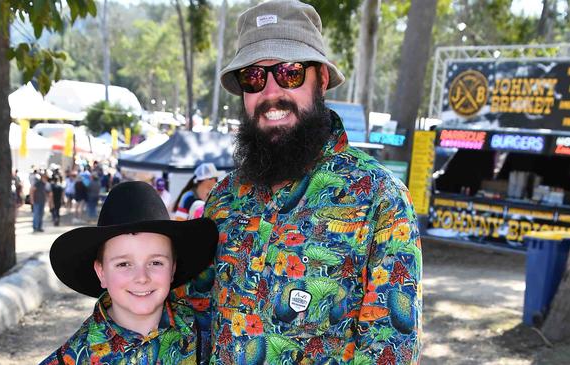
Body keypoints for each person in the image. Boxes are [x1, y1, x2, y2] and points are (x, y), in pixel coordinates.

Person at [173, 1, 422, 363]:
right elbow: (194, 319)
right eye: (253, 77)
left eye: (289, 73)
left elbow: (391, 348)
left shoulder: (379, 197)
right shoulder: (224, 199)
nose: (271, 93)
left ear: (320, 79)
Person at [40, 181, 218, 365]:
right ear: (101, 272)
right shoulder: (68, 359)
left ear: (172, 268)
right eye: (124, 264)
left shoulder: (209, 337)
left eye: (156, 262)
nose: (142, 277)